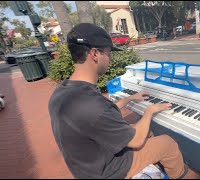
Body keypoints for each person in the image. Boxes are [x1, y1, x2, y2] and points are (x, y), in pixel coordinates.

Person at [48, 23, 188, 179]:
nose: (110, 59)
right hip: (107, 171)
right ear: (95, 54)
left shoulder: (63, 91)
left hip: (87, 165)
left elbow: (98, 117)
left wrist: (129, 98)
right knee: (167, 143)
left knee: (147, 133)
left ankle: (153, 167)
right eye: (108, 54)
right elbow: (134, 140)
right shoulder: (92, 105)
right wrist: (149, 111)